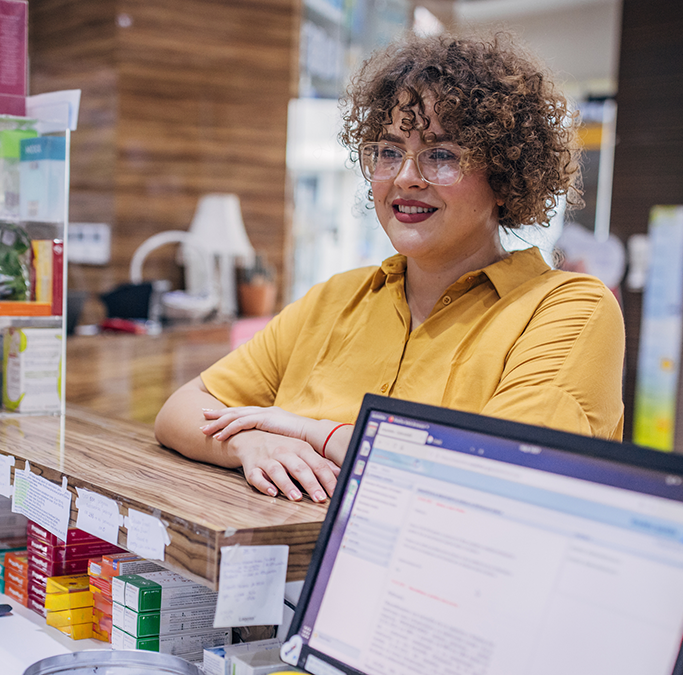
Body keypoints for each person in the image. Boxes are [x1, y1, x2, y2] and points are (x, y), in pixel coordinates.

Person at [155, 32, 625, 505]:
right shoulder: (335, 299)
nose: (405, 177)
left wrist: (313, 432)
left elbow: (489, 476)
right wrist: (251, 441)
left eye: (441, 154)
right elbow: (181, 409)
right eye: (388, 151)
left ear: (505, 177)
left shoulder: (568, 310)